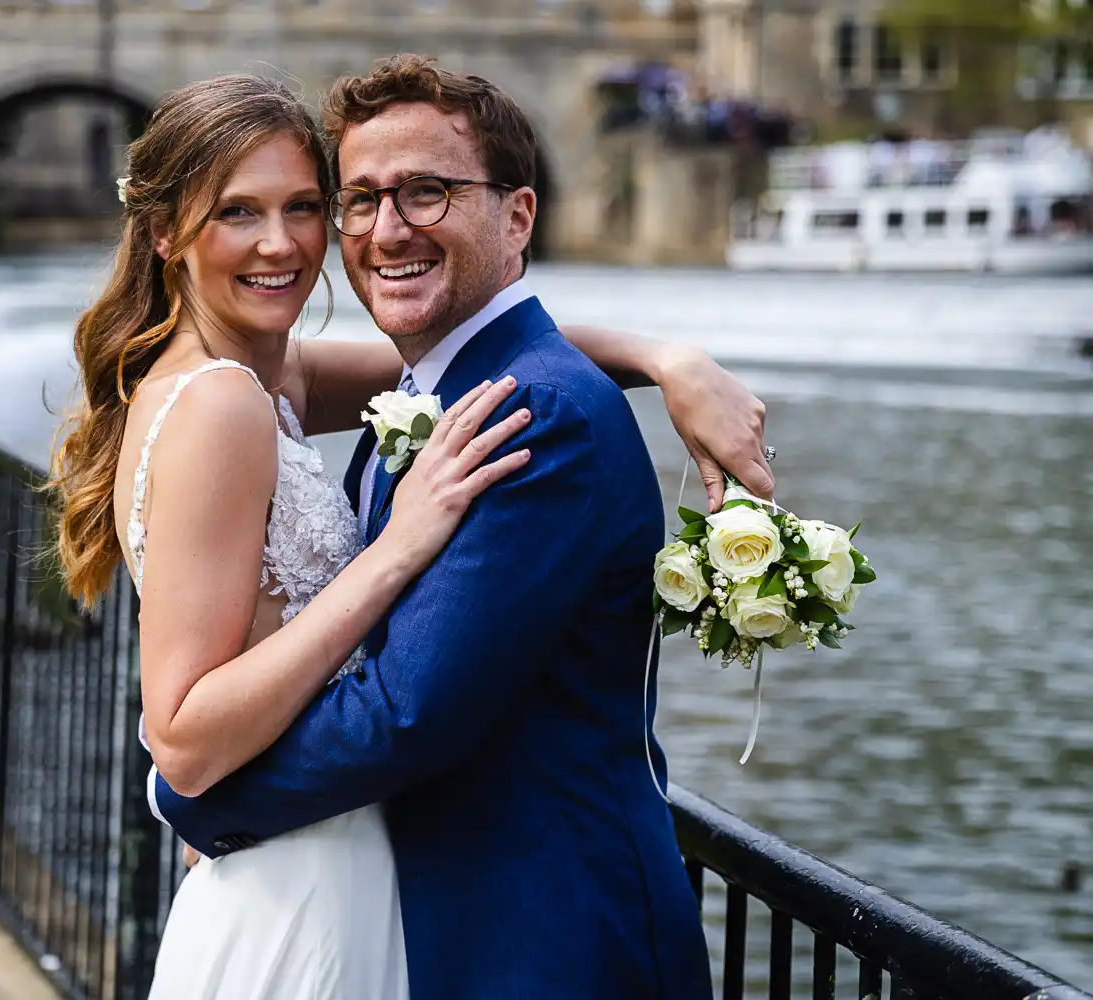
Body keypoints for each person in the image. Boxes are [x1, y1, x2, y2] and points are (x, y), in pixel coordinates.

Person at [50, 63, 767, 1000]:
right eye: (239, 212)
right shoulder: (224, 398)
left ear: (518, 218)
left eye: (305, 206)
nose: (283, 242)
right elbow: (206, 732)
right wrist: (393, 551)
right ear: (163, 232)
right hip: (318, 878)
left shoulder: (283, 376)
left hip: (481, 914)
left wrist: (663, 356)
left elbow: (495, 352)